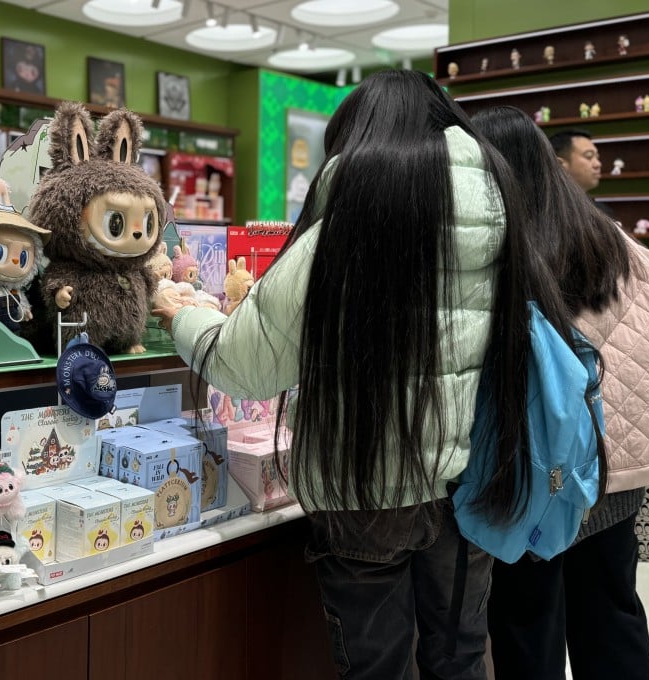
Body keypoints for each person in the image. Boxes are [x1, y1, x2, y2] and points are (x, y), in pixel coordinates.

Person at [152, 70, 563, 679]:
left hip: (363, 486)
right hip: (474, 481)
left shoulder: (348, 219)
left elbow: (244, 363)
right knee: (463, 659)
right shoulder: (501, 207)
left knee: (377, 668)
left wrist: (179, 316)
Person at [473, 105, 649, 680]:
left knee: (527, 620)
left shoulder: (508, 244)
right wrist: (625, 389)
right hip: (622, 464)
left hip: (544, 469)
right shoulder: (607, 232)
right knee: (612, 611)